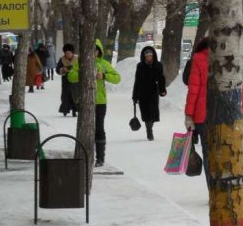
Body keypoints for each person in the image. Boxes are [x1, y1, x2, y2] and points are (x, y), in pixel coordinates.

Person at [184, 37, 243, 187]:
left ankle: (212, 188)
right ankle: (227, 186)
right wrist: (242, 111)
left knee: (209, 153)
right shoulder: (229, 58)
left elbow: (194, 89)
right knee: (226, 152)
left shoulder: (198, 59)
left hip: (203, 117)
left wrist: (189, 115)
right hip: (228, 115)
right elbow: (239, 87)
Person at [68, 39, 121, 167]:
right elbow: (71, 76)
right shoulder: (81, 63)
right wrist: (83, 73)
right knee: (85, 128)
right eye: (91, 50)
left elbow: (117, 78)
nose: (94, 53)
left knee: (99, 128)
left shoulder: (104, 64)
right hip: (85, 101)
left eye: (96, 50)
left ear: (99, 51)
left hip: (100, 102)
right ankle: (84, 155)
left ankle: (100, 157)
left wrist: (104, 76)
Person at [132, 46, 166, 141]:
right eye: (147, 56)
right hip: (142, 93)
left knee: (153, 113)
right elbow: (137, 81)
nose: (149, 57)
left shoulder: (158, 65)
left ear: (153, 56)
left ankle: (150, 127)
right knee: (146, 113)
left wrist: (162, 90)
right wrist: (135, 96)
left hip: (153, 93)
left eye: (150, 55)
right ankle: (149, 131)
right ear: (144, 56)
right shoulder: (140, 66)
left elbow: (161, 79)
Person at [56, 43, 79, 117]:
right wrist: (62, 69)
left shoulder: (77, 59)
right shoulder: (62, 59)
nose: (68, 54)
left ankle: (75, 110)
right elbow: (57, 69)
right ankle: (65, 110)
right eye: (67, 53)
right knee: (66, 96)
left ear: (72, 53)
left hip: (75, 80)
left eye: (69, 53)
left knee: (75, 95)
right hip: (66, 81)